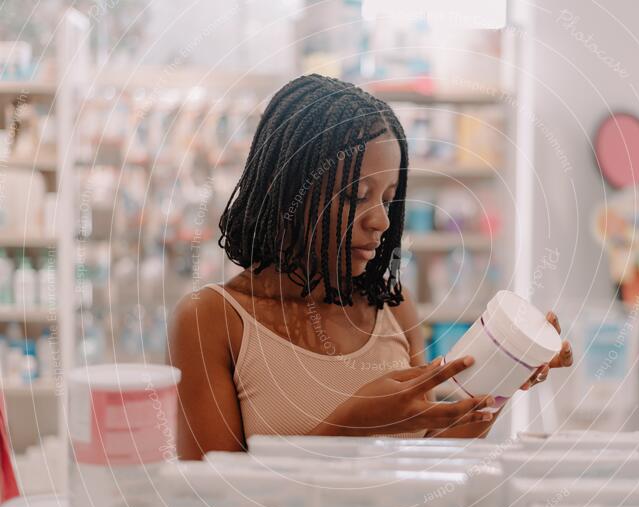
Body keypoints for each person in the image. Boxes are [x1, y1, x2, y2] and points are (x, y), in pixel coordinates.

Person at [168, 74, 573, 460]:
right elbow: (213, 505)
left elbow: (430, 457)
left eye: (388, 199)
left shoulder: (393, 308)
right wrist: (349, 428)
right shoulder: (211, 320)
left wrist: (502, 375)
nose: (380, 221)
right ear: (289, 191)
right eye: (357, 196)